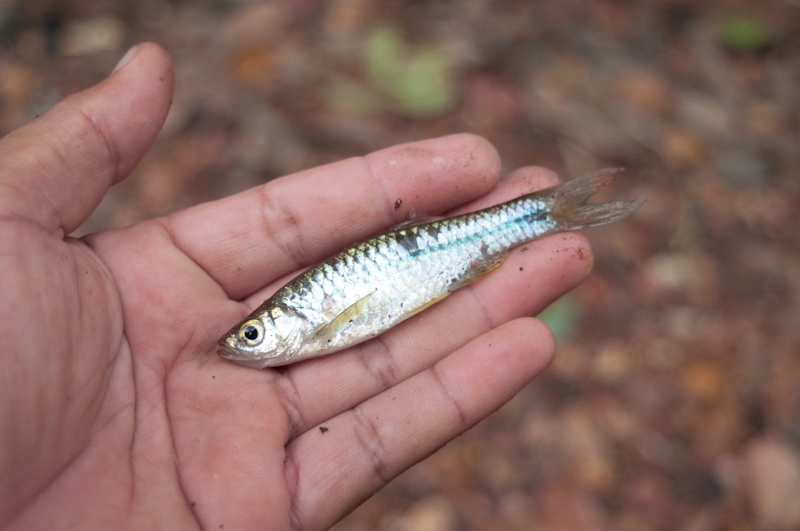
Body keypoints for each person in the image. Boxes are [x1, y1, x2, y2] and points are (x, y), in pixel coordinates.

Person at [0, 43, 593, 530]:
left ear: (284, 322)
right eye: (250, 332)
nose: (243, 342)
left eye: (253, 332)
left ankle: (543, 214)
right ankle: (545, 214)